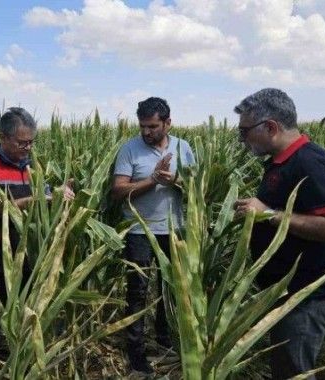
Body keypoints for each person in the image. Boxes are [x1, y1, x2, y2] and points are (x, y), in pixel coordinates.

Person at [232, 88, 325, 379]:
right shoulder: (282, 161)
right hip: (288, 293)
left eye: (245, 132)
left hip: (306, 296)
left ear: (271, 127)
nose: (242, 140)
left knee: (294, 374)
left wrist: (268, 215)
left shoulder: (310, 162)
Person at [0, 107, 74, 379]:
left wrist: (63, 197)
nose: (28, 148)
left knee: (29, 315)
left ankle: (21, 367)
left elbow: (47, 205)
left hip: (30, 259)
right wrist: (38, 199)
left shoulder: (32, 168)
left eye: (31, 142)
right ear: (2, 137)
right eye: (22, 142)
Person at [110, 97, 195, 375]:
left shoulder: (184, 148)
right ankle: (135, 351)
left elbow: (198, 189)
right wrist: (153, 181)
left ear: (168, 123)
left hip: (175, 230)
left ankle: (164, 339)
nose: (146, 132)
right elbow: (118, 191)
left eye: (153, 126)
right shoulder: (129, 149)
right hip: (139, 231)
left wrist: (176, 181)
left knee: (170, 289)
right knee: (137, 291)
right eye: (143, 126)